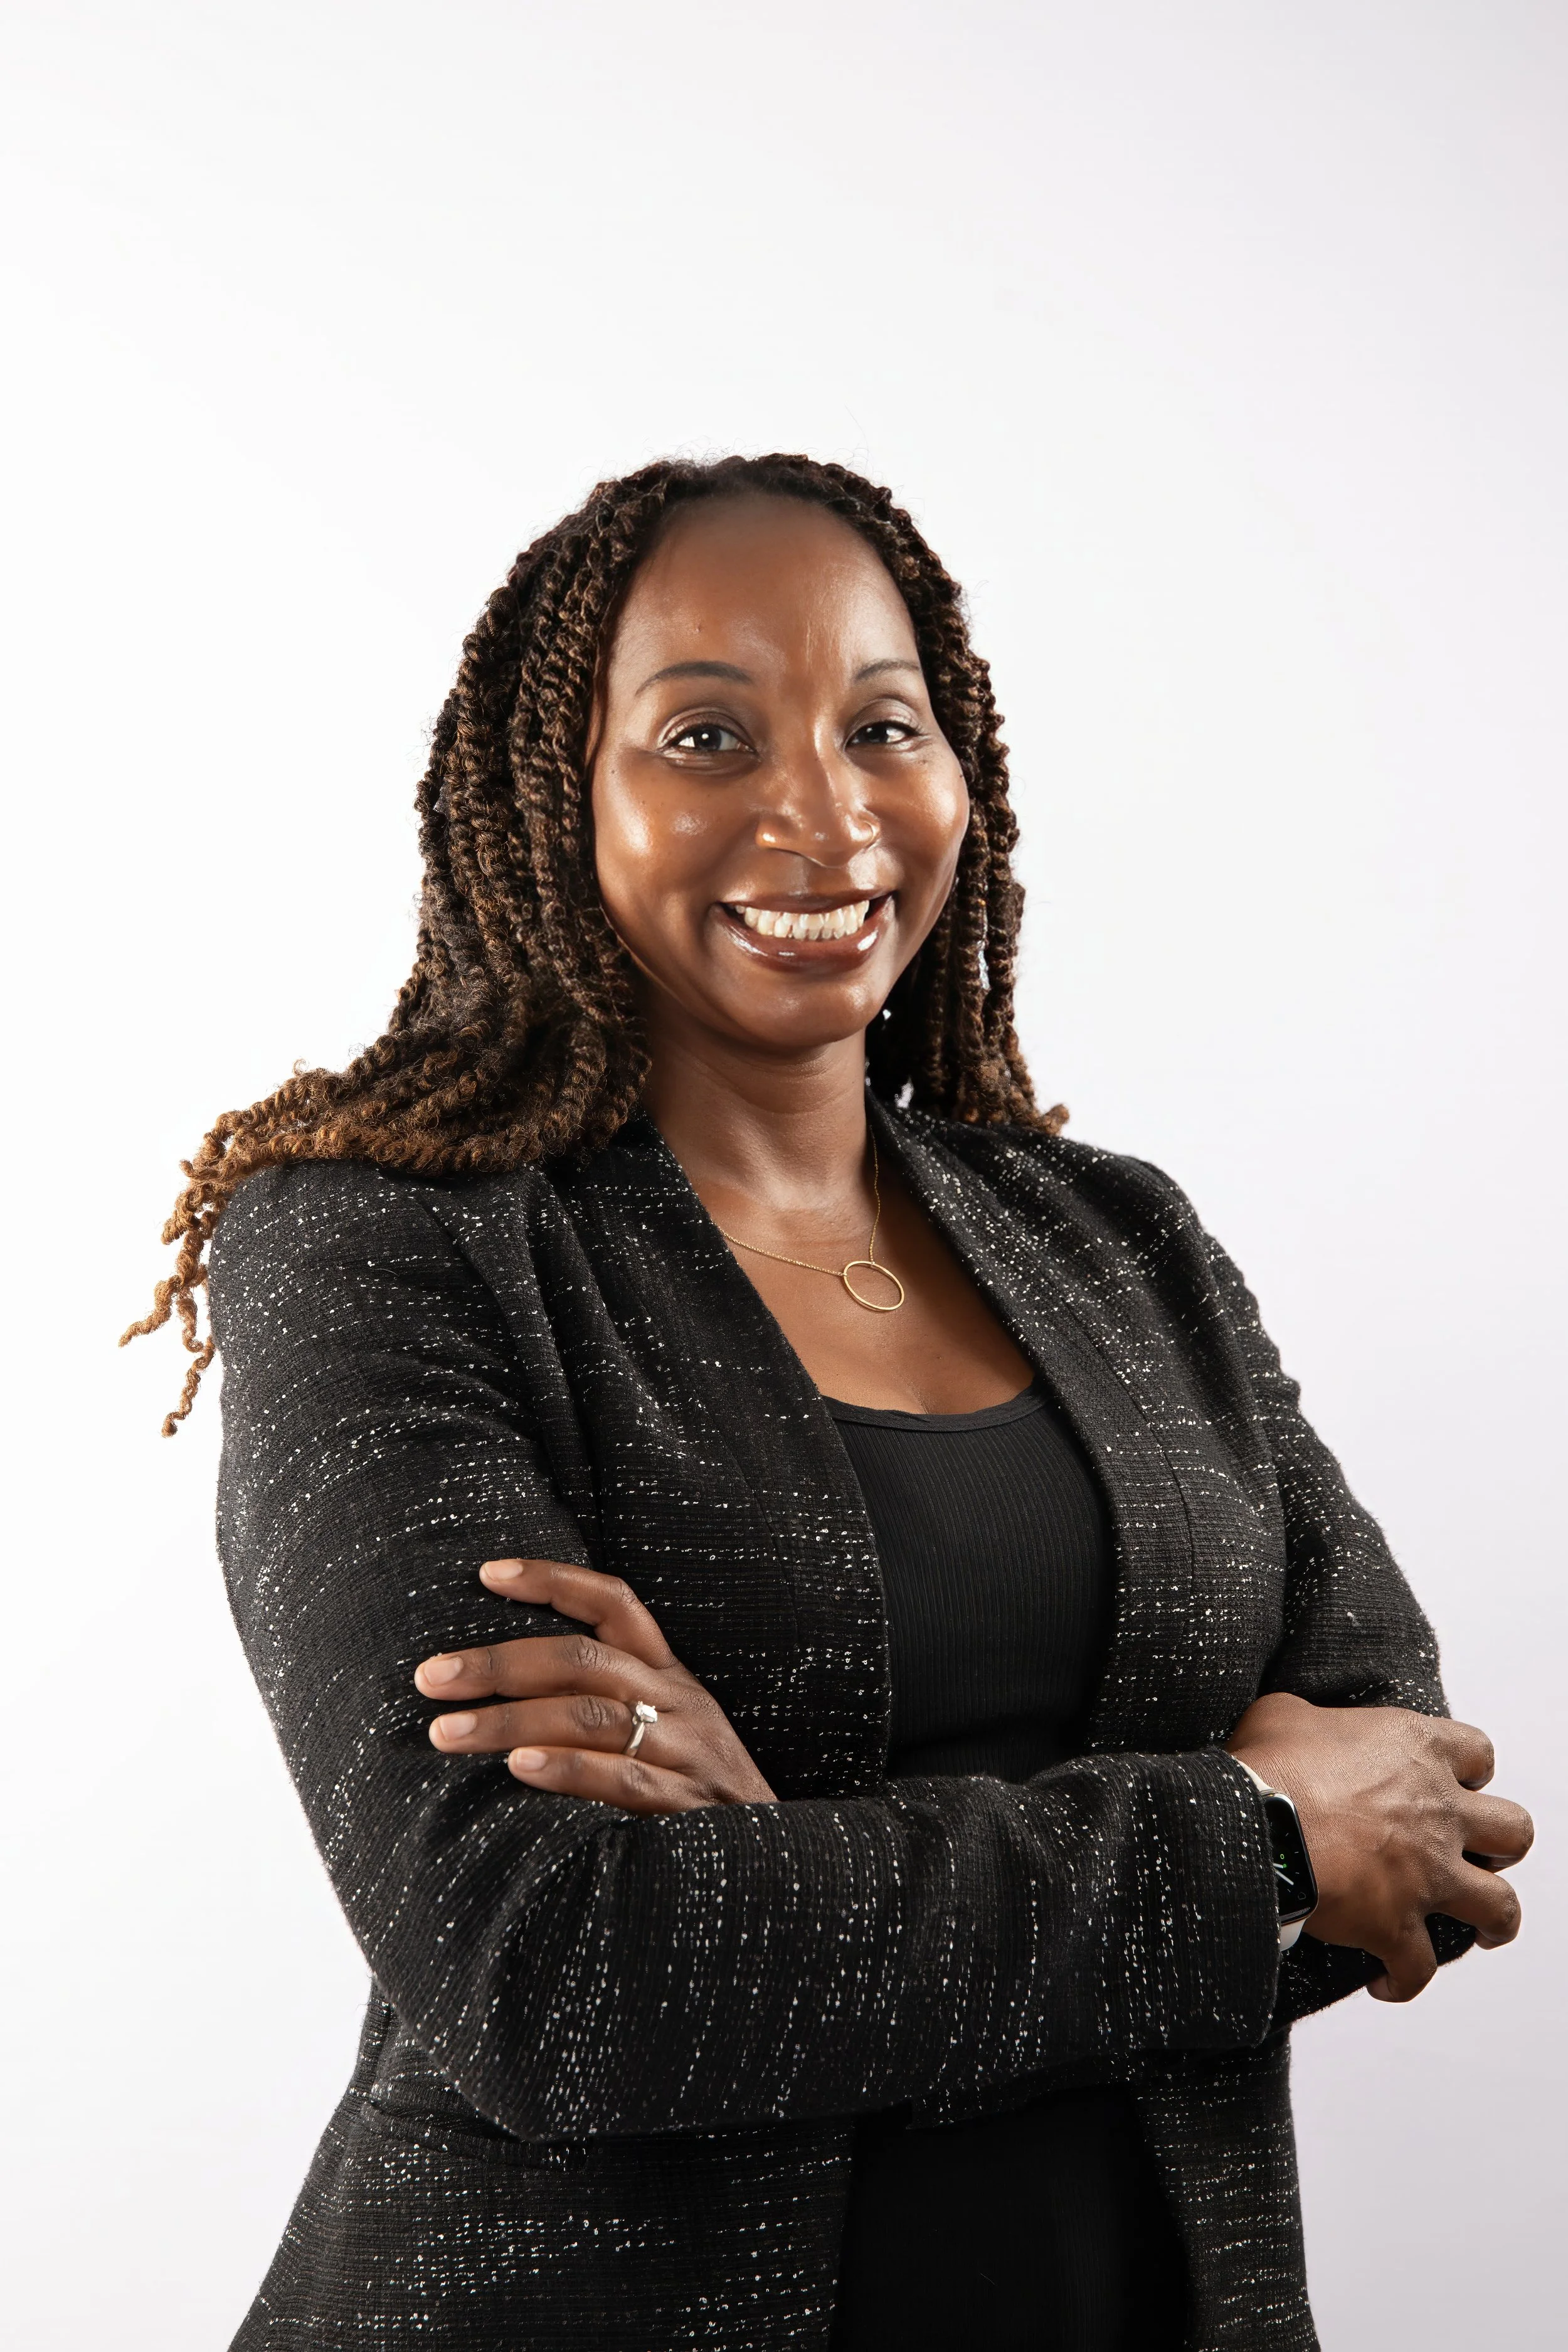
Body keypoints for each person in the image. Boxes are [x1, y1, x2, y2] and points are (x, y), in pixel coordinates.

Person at [127, 453, 1532, 2351]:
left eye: (882, 723)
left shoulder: (1120, 1239)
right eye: (705, 734)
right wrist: (1249, 1845)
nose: (820, 807)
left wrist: (770, 1860)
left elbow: (1419, 1831)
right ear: (555, 800)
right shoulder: (385, 1249)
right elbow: (552, 1975)